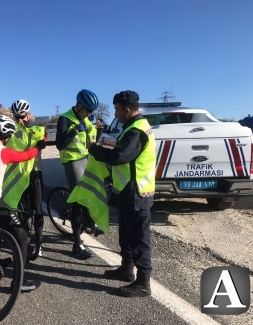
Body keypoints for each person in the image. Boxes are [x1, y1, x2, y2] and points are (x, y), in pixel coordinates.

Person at [88, 90, 155, 298]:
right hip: (127, 193)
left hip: (137, 194)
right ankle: (126, 269)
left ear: (127, 110)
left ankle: (143, 283)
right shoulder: (131, 127)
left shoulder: (137, 131)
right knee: (126, 235)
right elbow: (123, 149)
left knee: (139, 239)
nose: (115, 114)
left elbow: (120, 156)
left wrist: (94, 149)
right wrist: (109, 143)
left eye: (117, 110)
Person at [0, 114, 46, 293]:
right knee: (22, 237)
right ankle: (19, 283)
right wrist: (39, 146)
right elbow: (27, 155)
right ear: (7, 135)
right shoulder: (3, 152)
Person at [55, 89, 99, 259]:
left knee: (94, 189)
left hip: (85, 159)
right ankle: (77, 245)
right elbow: (59, 144)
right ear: (79, 106)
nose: (89, 113)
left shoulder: (86, 119)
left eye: (91, 111)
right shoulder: (65, 118)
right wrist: (74, 130)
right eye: (87, 110)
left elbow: (91, 140)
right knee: (79, 201)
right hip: (72, 161)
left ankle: (90, 221)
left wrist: (99, 130)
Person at [2, 100, 46, 259]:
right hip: (20, 176)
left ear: (28, 114)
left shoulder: (38, 127)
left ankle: (39, 244)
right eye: (16, 117)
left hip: (35, 173)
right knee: (22, 209)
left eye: (21, 117)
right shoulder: (13, 130)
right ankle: (24, 240)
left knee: (37, 208)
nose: (19, 120)